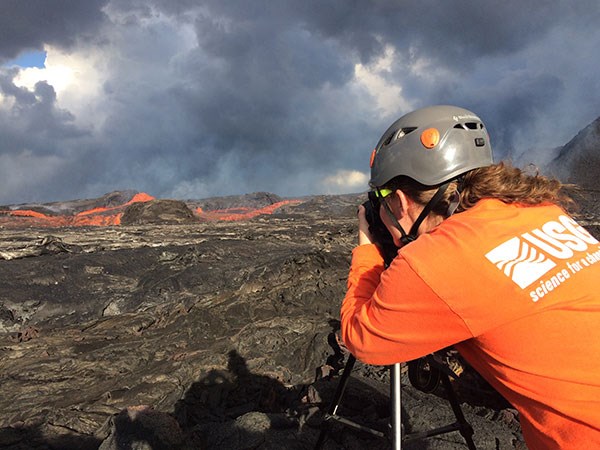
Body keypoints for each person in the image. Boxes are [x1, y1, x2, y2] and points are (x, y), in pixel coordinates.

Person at [340, 105, 600, 449]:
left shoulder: (435, 260)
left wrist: (368, 248)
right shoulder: (541, 210)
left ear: (400, 201)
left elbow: (361, 338)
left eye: (382, 198)